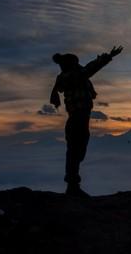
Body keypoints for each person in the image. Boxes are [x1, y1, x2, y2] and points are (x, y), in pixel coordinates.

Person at [50, 45, 123, 197]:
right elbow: (89, 69)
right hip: (77, 117)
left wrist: (108, 56)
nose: (78, 65)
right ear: (71, 64)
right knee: (75, 151)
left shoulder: (71, 75)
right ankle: (72, 186)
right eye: (75, 63)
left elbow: (88, 69)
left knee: (77, 150)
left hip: (80, 117)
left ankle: (73, 184)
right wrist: (108, 56)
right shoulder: (69, 76)